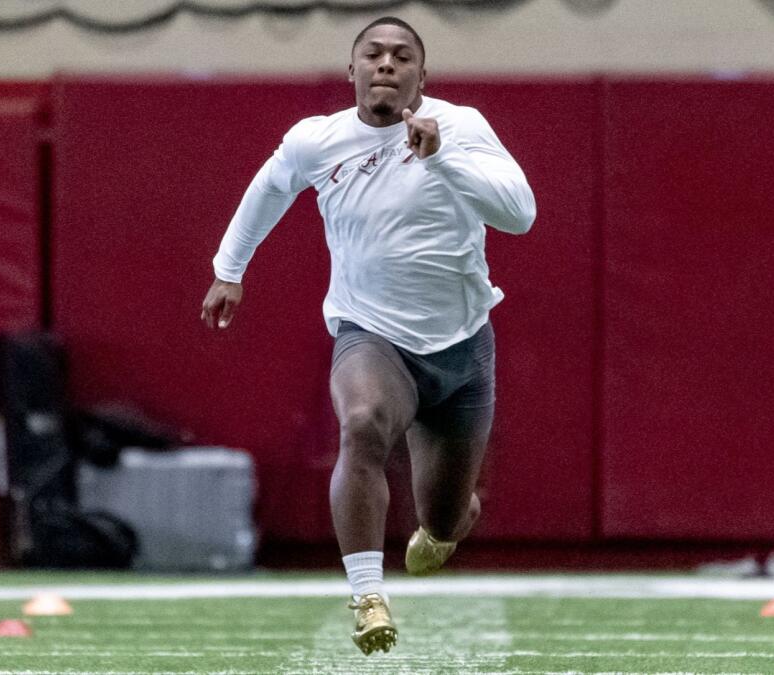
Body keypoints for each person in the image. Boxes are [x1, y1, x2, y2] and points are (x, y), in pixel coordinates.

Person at [201, 16, 535, 654]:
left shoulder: (460, 127)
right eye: (373, 54)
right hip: (372, 336)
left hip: (462, 348)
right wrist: (228, 270)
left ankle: (453, 515)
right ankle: (367, 594)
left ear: (420, 76)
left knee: (442, 520)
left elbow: (520, 215)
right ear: (352, 70)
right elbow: (268, 190)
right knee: (362, 423)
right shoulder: (316, 141)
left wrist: (442, 159)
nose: (387, 64)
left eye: (402, 56)